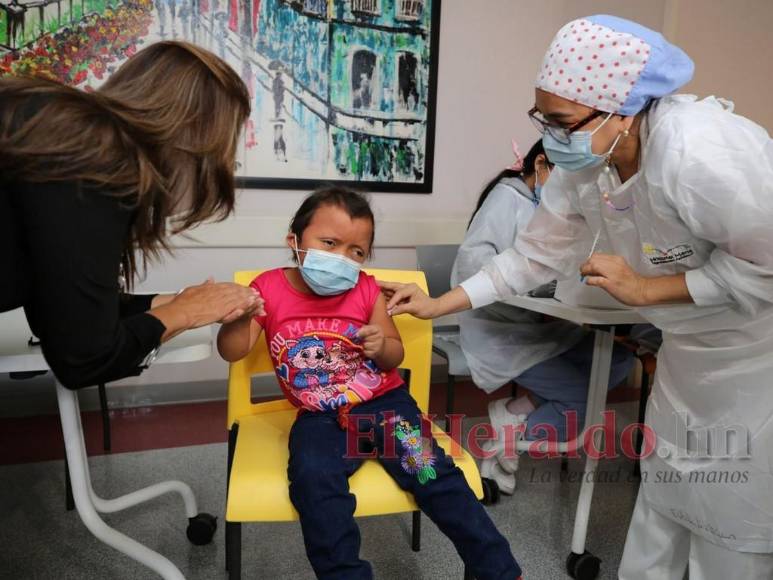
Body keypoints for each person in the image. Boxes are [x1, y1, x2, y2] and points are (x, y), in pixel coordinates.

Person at [381, 14, 773, 579]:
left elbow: (765, 266)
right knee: (665, 504)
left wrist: (645, 289)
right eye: (543, 119)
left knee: (734, 517)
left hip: (754, 361)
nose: (552, 136)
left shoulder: (702, 154)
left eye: (562, 121)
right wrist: (441, 304)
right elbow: (530, 258)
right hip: (688, 355)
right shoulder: (589, 162)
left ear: (623, 108)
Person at [217, 187, 522, 580]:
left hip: (387, 408)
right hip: (319, 418)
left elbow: (395, 354)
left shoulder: (365, 289)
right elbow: (233, 351)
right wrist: (238, 316)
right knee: (312, 480)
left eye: (356, 251)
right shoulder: (268, 288)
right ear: (294, 240)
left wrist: (382, 346)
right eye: (329, 243)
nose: (343, 258)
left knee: (433, 473)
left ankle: (497, 568)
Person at [0, 41, 263, 390]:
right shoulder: (96, 157)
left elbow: (63, 313)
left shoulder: (67, 135)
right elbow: (84, 358)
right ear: (194, 131)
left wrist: (178, 302)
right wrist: (185, 313)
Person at [451, 139, 633, 494]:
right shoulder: (508, 197)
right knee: (582, 399)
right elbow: (471, 266)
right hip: (500, 332)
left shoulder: (554, 211)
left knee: (618, 360)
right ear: (541, 165)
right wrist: (531, 286)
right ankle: (506, 441)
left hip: (542, 326)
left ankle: (513, 413)